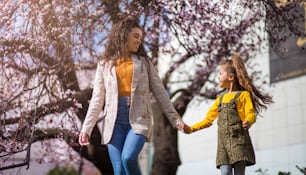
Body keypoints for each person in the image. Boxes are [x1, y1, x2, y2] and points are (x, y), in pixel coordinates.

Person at [78, 16, 187, 175]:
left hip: (138, 120)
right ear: (123, 35)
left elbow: (161, 94)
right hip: (114, 122)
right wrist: (86, 128)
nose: (139, 41)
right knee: (118, 170)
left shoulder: (144, 63)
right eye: (136, 36)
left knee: (128, 158)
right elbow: (97, 99)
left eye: (140, 38)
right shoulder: (105, 65)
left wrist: (175, 119)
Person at [183, 53, 273, 175]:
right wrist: (191, 128)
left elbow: (250, 113)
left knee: (239, 173)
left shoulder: (243, 95)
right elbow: (208, 120)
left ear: (230, 77)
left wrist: (249, 121)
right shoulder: (219, 99)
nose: (218, 77)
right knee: (225, 172)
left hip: (239, 141)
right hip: (223, 145)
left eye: (220, 74)